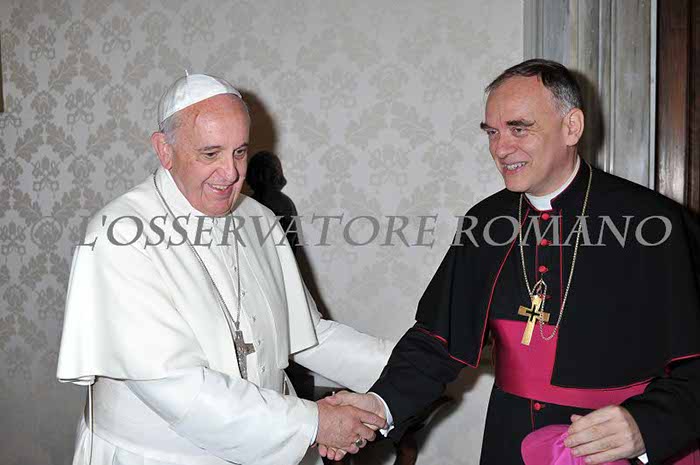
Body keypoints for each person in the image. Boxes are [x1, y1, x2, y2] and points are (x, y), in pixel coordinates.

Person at [325, 59, 700, 464]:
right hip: (510, 442)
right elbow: (437, 341)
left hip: (610, 450)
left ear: (572, 127)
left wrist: (647, 425)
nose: (501, 148)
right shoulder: (486, 222)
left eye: (519, 129)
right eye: (492, 132)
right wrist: (379, 406)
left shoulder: (655, 223)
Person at [56, 73, 394, 465]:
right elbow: (178, 388)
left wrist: (416, 363)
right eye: (210, 154)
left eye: (239, 152)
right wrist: (314, 423)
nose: (231, 173)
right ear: (164, 150)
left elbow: (307, 334)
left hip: (263, 440)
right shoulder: (119, 234)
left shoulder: (258, 219)